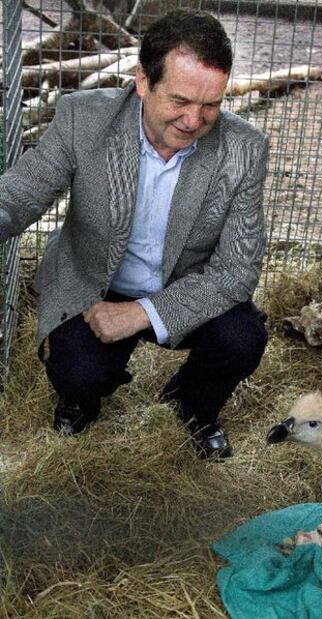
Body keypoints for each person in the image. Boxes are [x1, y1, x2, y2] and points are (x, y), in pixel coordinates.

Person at [0, 9, 269, 459]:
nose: (194, 119)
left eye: (211, 104)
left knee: (242, 338)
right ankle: (80, 402)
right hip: (95, 287)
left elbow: (238, 271)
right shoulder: (83, 119)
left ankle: (192, 407)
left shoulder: (244, 148)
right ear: (143, 81)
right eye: (180, 100)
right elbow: (23, 192)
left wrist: (142, 313)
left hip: (187, 288)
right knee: (77, 373)